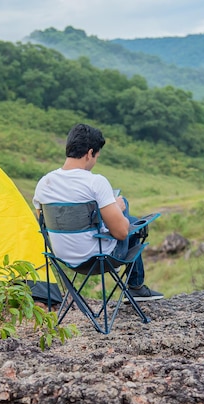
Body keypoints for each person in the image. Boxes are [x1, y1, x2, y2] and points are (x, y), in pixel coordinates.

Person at [33, 123, 163, 302]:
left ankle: (136, 286)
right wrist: (118, 208)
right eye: (96, 157)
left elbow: (44, 225)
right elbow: (121, 233)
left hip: (63, 258)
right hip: (100, 259)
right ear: (89, 153)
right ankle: (136, 287)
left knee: (123, 218)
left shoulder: (43, 184)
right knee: (128, 217)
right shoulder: (95, 182)